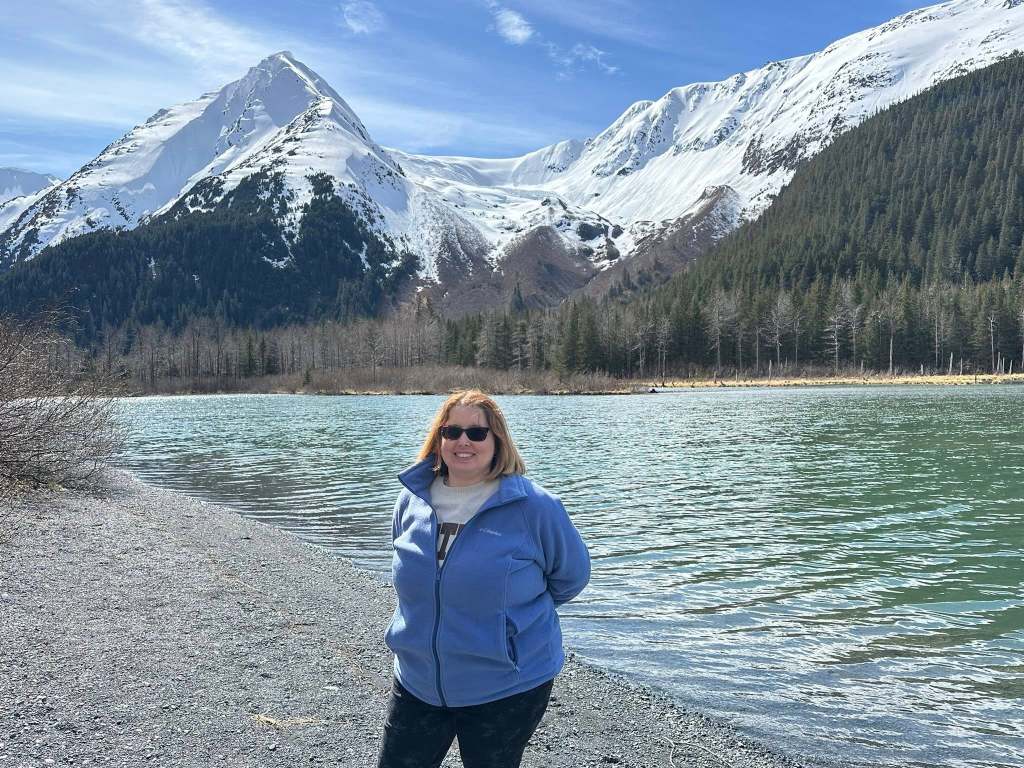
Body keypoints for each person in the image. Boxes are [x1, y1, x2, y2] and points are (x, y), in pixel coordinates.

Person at [377, 389, 591, 768]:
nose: (463, 441)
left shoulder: (535, 507)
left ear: (498, 440)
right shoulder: (412, 499)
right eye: (452, 431)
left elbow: (570, 578)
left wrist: (508, 624)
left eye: (477, 433)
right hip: (417, 680)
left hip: (504, 687)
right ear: (439, 439)